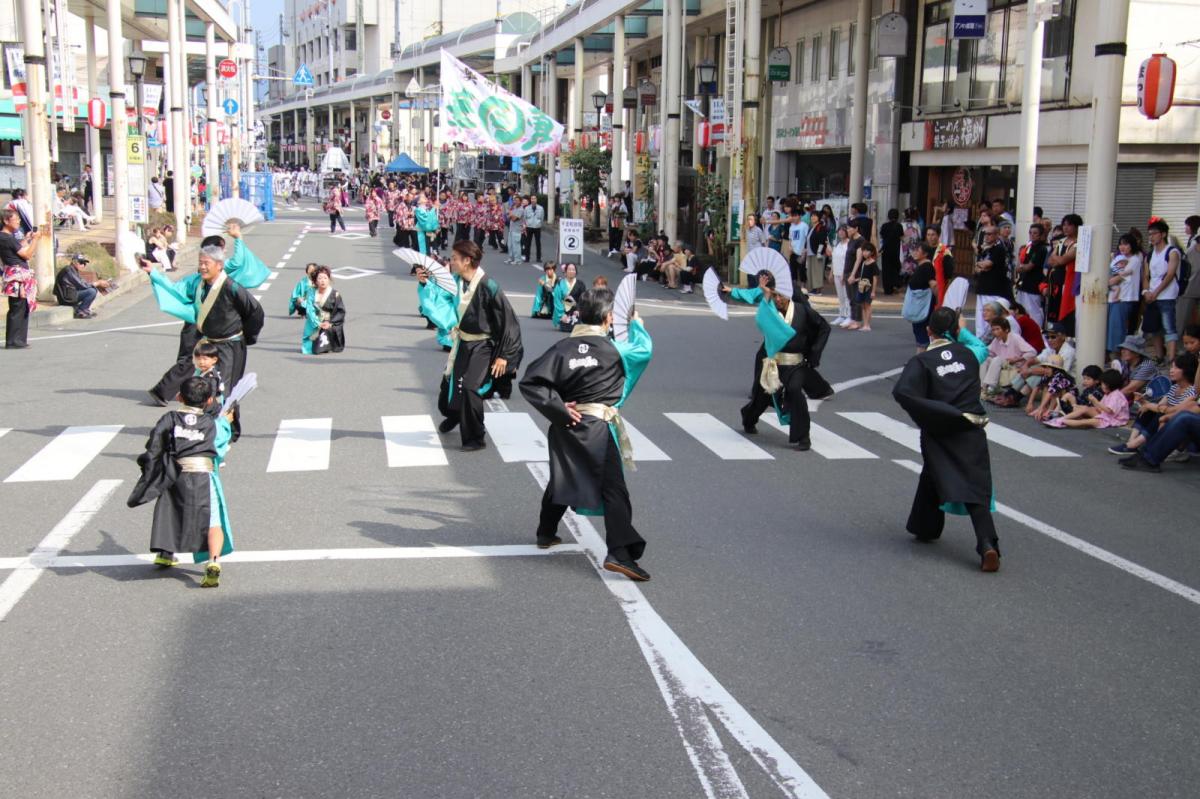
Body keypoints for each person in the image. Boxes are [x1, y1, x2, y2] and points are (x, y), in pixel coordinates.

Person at [520, 288, 654, 580]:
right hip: (597, 428)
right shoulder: (614, 349)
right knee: (614, 490)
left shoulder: (562, 349)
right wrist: (636, 324)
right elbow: (645, 350)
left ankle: (546, 532)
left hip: (567, 423)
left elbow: (530, 382)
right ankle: (620, 553)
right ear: (608, 319)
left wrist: (560, 408)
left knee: (566, 475)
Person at [892, 306, 1001, 573]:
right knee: (975, 488)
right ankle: (987, 543)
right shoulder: (970, 354)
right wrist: (959, 330)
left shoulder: (921, 362)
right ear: (955, 331)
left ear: (928, 331)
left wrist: (933, 414)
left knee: (936, 470)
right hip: (971, 427)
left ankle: (925, 527)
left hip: (940, 429)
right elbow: (978, 345)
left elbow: (903, 393)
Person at [143, 230, 265, 440]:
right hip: (208, 344)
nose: (202, 266)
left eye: (206, 263)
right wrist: (153, 273)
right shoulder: (197, 284)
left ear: (219, 265)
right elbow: (175, 291)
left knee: (225, 389)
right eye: (200, 262)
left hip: (230, 345)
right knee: (205, 385)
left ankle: (227, 432)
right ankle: (208, 428)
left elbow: (255, 312)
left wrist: (247, 336)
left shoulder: (231, 287)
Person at [127, 376, 234, 588]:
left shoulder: (169, 419)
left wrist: (149, 467)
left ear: (179, 396)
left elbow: (155, 443)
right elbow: (220, 447)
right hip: (203, 473)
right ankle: (214, 562)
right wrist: (227, 422)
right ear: (210, 401)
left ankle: (165, 553)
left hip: (175, 472)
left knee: (170, 512)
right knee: (213, 520)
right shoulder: (213, 424)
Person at [417, 240, 523, 450]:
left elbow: (509, 322)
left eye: (455, 258)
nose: (451, 261)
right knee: (449, 388)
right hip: (462, 341)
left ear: (467, 261)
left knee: (470, 387)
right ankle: (456, 415)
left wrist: (504, 355)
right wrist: (424, 284)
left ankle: (476, 436)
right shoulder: (455, 281)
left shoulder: (488, 285)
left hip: (483, 345)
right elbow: (439, 303)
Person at [724, 272, 832, 451]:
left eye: (780, 295)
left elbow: (823, 327)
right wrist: (763, 294)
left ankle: (803, 436)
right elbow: (760, 317)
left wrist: (814, 353)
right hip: (773, 363)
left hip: (795, 364)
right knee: (761, 397)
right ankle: (748, 418)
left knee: (795, 390)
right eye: (774, 295)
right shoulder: (768, 309)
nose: (778, 299)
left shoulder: (802, 310)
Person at [1110, 352, 1197, 454]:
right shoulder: (1173, 388)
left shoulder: (1193, 391)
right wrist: (1144, 403)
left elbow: (1173, 410)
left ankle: (1135, 445)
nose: (1171, 371)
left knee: (1158, 413)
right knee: (1146, 410)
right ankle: (1132, 441)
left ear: (1187, 371)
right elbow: (1160, 405)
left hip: (1177, 425)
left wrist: (1150, 405)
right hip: (1166, 418)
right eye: (1171, 367)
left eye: (1176, 368)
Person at [1142, 218, 1182, 362]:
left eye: (1154, 233)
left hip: (1167, 295)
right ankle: (1159, 356)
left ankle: (1171, 357)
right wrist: (1146, 292)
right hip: (1152, 295)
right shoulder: (1150, 254)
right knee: (1154, 328)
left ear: (1163, 234)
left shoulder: (1172, 252)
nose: (1151, 236)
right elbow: (1146, 275)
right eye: (1149, 234)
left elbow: (1170, 275)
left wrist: (1156, 292)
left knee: (1169, 326)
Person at [1, 208, 41, 349]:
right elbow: (27, 255)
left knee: (21, 307)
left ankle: (18, 339)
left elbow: (20, 249)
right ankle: (14, 340)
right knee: (18, 307)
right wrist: (36, 240)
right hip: (17, 277)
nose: (18, 221)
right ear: (6, 221)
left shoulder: (7, 237)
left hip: (16, 275)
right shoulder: (7, 238)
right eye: (15, 219)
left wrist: (27, 239)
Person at [1043, 368, 1128, 429]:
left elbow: (1109, 410)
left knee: (1084, 422)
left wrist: (1095, 402)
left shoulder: (1116, 395)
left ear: (1110, 384)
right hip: (1106, 415)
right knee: (1084, 409)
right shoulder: (1108, 393)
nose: (1102, 386)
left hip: (1113, 419)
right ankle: (1060, 418)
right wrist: (1088, 407)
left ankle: (1061, 421)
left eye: (1103, 384)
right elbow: (1100, 408)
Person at [973, 225, 1014, 338]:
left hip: (993, 289)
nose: (987, 236)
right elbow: (978, 267)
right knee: (981, 316)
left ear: (997, 235)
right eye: (985, 234)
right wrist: (981, 266)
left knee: (991, 315)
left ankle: (989, 339)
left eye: (990, 234)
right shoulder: (985, 248)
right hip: (982, 287)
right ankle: (979, 338)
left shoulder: (999, 248)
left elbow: (988, 264)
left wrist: (983, 266)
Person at [1107, 232, 1143, 358]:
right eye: (1121, 244)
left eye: (1126, 244)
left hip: (1124, 298)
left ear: (1132, 245)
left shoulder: (1135, 260)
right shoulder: (1117, 258)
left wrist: (1108, 280)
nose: (1122, 247)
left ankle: (1117, 354)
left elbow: (1117, 278)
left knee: (1117, 328)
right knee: (1110, 327)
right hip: (1112, 298)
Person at [1046, 214, 1080, 336]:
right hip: (1056, 281)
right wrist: (1057, 259)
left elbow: (1061, 260)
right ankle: (1055, 335)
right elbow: (1050, 261)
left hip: (1068, 280)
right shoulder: (1062, 241)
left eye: (1069, 225)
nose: (1065, 228)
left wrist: (1057, 259)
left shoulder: (1077, 243)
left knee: (1066, 310)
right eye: (1064, 225)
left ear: (1077, 227)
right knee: (1054, 309)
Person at [301, 265, 346, 354]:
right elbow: (310, 310)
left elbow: (340, 312)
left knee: (323, 343)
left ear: (329, 280)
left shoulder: (335, 294)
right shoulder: (311, 292)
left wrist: (330, 323)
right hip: (315, 322)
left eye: (325, 278)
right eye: (320, 278)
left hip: (329, 322)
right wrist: (318, 323)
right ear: (315, 281)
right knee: (308, 348)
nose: (323, 281)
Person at [53, 253, 111, 319]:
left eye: (84, 263)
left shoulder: (73, 270)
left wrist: (99, 284)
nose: (83, 265)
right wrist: (97, 283)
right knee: (91, 291)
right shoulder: (68, 270)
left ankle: (84, 309)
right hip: (66, 297)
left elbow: (83, 283)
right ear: (74, 262)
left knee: (93, 289)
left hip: (70, 294)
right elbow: (82, 285)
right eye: (81, 263)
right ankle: (81, 311)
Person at [904, 242, 939, 351]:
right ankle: (920, 357)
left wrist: (937, 299)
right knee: (919, 329)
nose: (914, 252)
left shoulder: (927, 266)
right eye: (914, 250)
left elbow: (933, 284)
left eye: (917, 250)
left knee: (922, 329)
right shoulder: (921, 266)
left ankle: (922, 358)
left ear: (925, 254)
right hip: (918, 302)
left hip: (923, 302)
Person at [1015, 223, 1049, 328]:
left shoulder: (1041, 248)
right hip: (1023, 283)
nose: (1032, 235)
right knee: (1021, 310)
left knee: (1033, 311)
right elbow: (1020, 262)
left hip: (1034, 284)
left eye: (1035, 233)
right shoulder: (1029, 246)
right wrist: (1020, 267)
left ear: (1041, 235)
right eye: (1030, 232)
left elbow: (1029, 266)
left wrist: (1020, 268)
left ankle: (1037, 332)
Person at [845, 241, 879, 332]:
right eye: (864, 251)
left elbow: (875, 278)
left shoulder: (873, 263)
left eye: (867, 251)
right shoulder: (864, 263)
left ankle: (867, 325)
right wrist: (855, 280)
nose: (865, 253)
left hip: (869, 287)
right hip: (861, 287)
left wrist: (873, 291)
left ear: (872, 252)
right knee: (863, 306)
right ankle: (865, 324)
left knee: (867, 305)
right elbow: (863, 276)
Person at [828, 224, 852, 326]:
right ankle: (841, 315)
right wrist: (831, 273)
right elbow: (834, 259)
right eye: (839, 231)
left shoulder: (849, 244)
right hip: (836, 272)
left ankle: (849, 316)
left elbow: (848, 261)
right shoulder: (837, 244)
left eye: (843, 230)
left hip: (844, 273)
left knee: (847, 295)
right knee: (840, 296)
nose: (841, 232)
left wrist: (844, 274)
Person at [552, 262, 585, 332]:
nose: (571, 271)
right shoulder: (560, 284)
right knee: (566, 327)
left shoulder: (581, 284)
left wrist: (578, 310)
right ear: (565, 271)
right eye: (569, 269)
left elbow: (583, 300)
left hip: (576, 311)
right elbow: (557, 300)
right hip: (564, 312)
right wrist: (562, 314)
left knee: (576, 327)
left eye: (573, 269)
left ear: (576, 272)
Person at [879, 208, 904, 295]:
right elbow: (901, 237)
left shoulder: (884, 226)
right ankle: (895, 286)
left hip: (885, 250)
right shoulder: (899, 226)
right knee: (895, 268)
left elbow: (882, 237)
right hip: (896, 250)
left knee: (886, 270)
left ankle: (887, 289)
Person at [523, 195, 544, 262]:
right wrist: (526, 225)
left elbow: (542, 218)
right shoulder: (527, 208)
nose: (533, 200)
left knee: (538, 243)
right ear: (530, 200)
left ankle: (538, 258)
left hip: (537, 227)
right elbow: (524, 218)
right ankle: (527, 258)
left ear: (536, 200)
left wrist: (539, 224)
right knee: (528, 243)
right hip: (529, 227)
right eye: (532, 199)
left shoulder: (541, 208)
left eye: (534, 198)